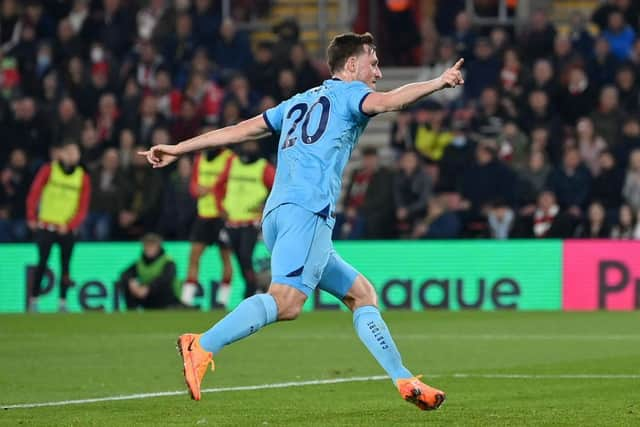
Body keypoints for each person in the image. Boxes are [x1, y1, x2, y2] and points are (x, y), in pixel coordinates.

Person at [140, 32, 463, 410]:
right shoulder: (350, 94)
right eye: (373, 63)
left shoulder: (297, 103)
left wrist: (180, 148)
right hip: (308, 212)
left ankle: (403, 378)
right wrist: (439, 82)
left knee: (361, 294)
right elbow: (391, 101)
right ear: (351, 65)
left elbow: (238, 130)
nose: (377, 72)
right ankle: (201, 344)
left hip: (278, 215)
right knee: (287, 302)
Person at [25, 141, 91, 312]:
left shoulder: (82, 177)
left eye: (74, 152)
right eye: (68, 152)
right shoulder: (49, 170)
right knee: (42, 262)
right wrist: (32, 216)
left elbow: (83, 207)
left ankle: (62, 302)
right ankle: (33, 300)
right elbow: (34, 193)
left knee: (66, 266)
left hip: (66, 228)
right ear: (60, 153)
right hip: (46, 224)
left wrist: (71, 225)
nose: (71, 156)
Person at [215, 141, 275, 300]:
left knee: (245, 255)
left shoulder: (264, 167)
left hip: (251, 221)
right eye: (247, 144)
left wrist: (265, 206)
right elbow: (218, 185)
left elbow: (278, 187)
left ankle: (251, 289)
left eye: (252, 144)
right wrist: (220, 207)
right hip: (232, 220)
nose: (249, 148)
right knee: (240, 258)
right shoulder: (232, 163)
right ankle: (252, 287)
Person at [182, 147, 235, 307]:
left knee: (225, 258)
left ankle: (222, 301)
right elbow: (193, 184)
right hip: (203, 215)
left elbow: (230, 182)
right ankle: (186, 300)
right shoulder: (200, 158)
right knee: (194, 257)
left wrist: (214, 191)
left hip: (222, 215)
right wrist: (196, 190)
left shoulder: (229, 158)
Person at [117, 233, 182, 309]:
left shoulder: (168, 261)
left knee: (165, 286)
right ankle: (132, 311)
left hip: (167, 298)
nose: (149, 248)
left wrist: (148, 288)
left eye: (152, 245)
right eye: (147, 245)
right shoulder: (140, 262)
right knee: (125, 283)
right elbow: (125, 274)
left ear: (158, 247)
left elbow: (166, 279)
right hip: (147, 296)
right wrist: (132, 282)